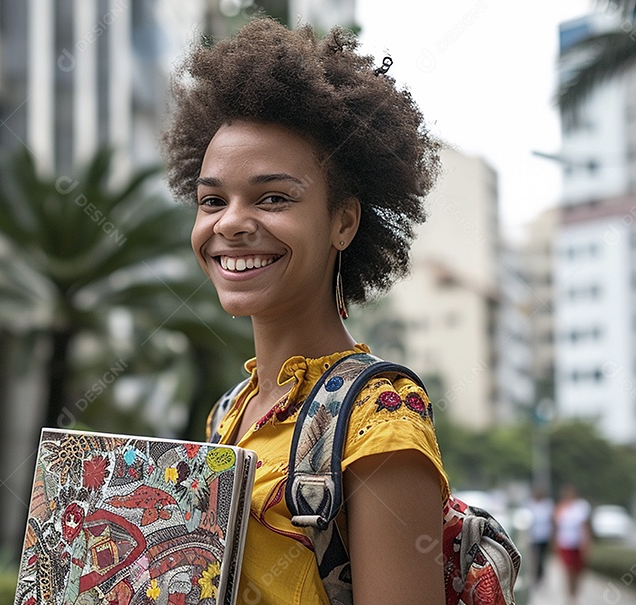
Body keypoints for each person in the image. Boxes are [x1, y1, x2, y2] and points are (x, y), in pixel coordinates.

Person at [161, 17, 447, 605]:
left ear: (343, 220)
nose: (232, 223)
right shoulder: (228, 416)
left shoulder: (382, 423)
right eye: (212, 200)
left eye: (274, 198)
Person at [553, 484, 592, 605]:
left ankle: (575, 592)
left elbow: (584, 526)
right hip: (565, 543)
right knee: (568, 570)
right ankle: (570, 595)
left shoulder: (580, 507)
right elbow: (557, 527)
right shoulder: (561, 508)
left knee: (578, 571)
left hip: (577, 544)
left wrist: (587, 542)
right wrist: (555, 542)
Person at [527, 486, 554, 588]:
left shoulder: (547, 505)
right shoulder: (530, 504)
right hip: (533, 537)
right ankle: (535, 576)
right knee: (534, 558)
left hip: (544, 536)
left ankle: (540, 576)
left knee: (542, 558)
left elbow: (551, 521)